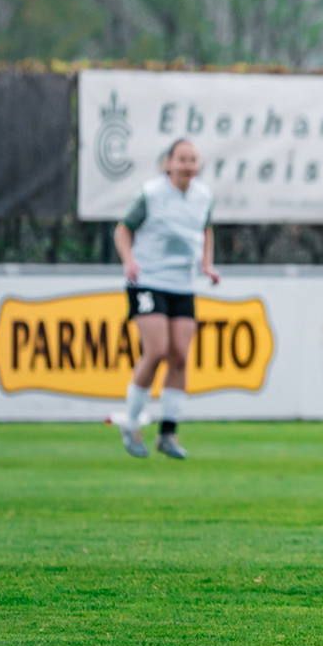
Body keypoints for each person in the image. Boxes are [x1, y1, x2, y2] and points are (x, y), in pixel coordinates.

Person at [111, 138, 220, 459]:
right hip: (148, 281)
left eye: (193, 160)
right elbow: (123, 229)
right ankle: (130, 423)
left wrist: (207, 265)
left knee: (180, 356)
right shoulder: (152, 194)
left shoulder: (203, 196)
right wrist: (129, 261)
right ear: (168, 163)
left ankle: (168, 433)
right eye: (182, 159)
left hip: (182, 284)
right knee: (156, 350)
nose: (188, 165)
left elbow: (206, 230)